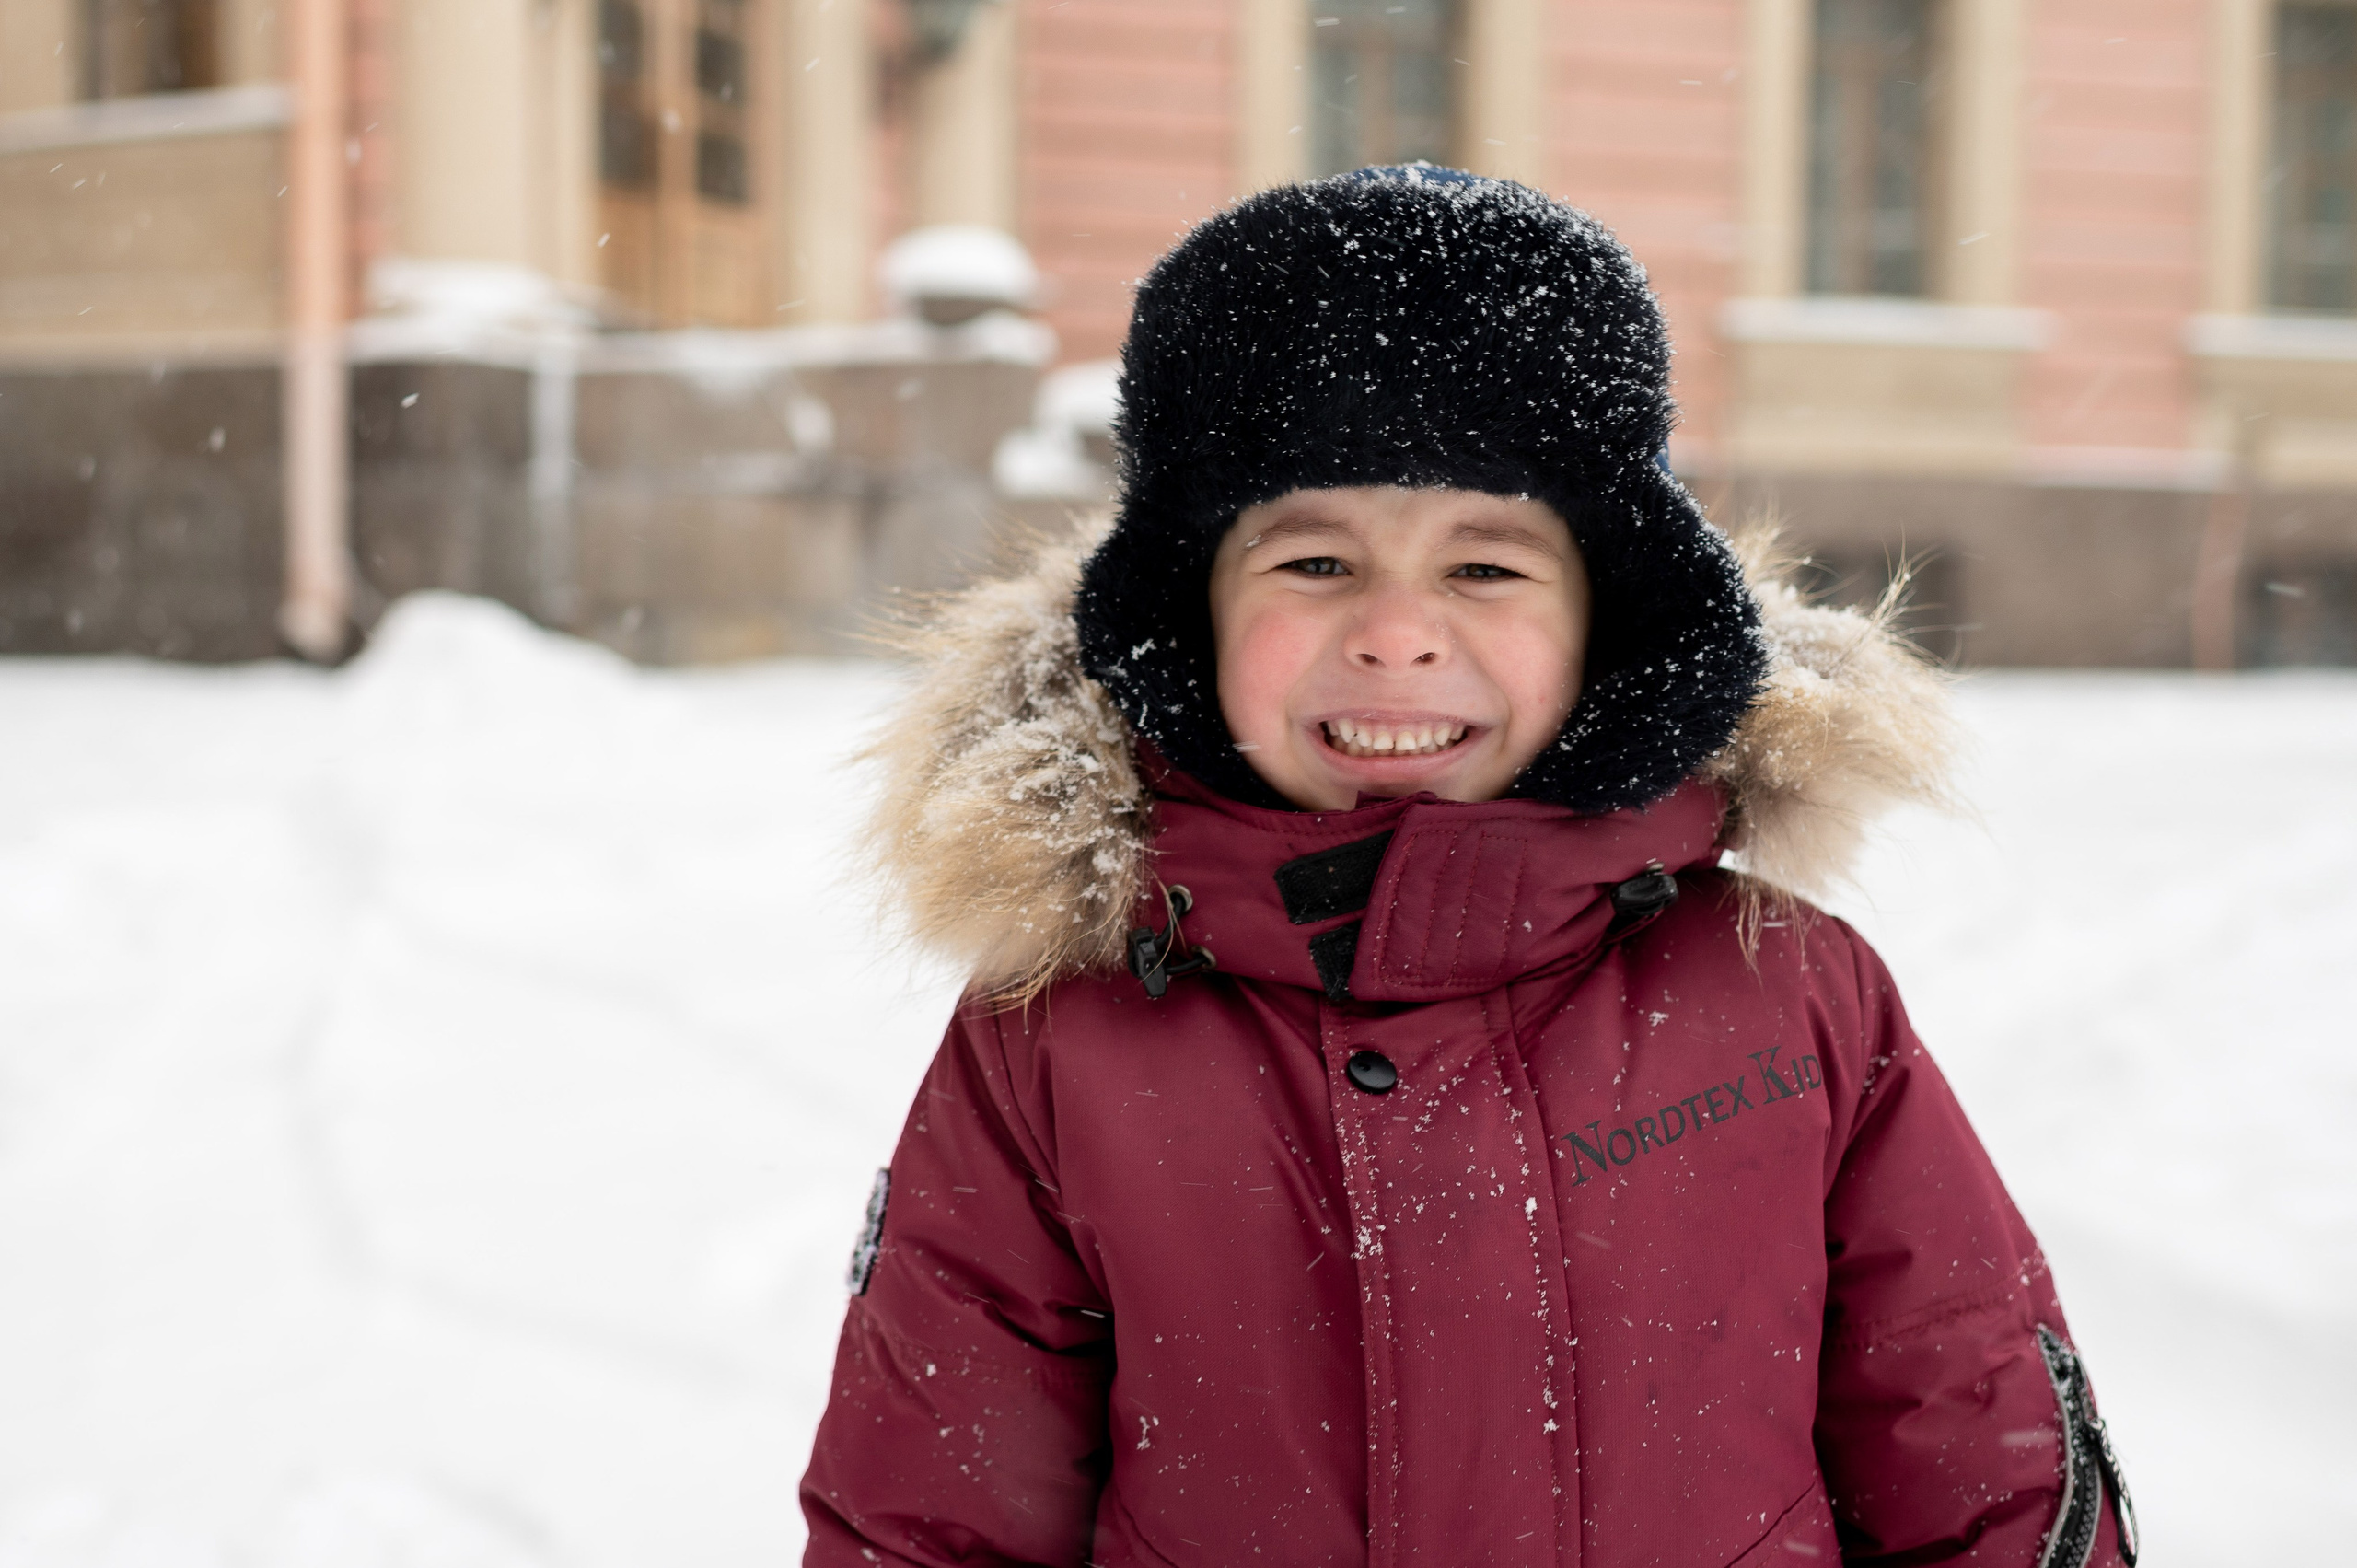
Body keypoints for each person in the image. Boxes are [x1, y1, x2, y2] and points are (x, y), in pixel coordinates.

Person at [801, 167, 2135, 1568]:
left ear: (1604, 620)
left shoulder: (1789, 998)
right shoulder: (1057, 1043)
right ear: (1189, 615)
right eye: (1312, 561)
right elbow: (928, 1515)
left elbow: (1981, 1460)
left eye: (1487, 570)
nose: (1395, 634)